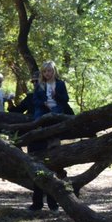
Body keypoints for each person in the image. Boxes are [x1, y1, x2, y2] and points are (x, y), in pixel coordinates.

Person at [28, 61, 73, 211]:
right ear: (42, 73)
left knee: (52, 169)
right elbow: (35, 101)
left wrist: (57, 96)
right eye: (45, 72)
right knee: (38, 167)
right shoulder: (39, 85)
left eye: (50, 71)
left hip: (56, 114)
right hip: (42, 115)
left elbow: (65, 99)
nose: (48, 74)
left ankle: (53, 203)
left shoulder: (60, 84)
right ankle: (37, 203)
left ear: (54, 71)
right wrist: (43, 104)